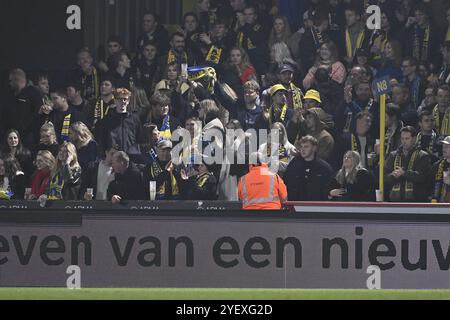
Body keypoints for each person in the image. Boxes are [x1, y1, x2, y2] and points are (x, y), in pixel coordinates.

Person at [385, 126, 431, 202]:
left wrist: (404, 173)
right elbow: (385, 177)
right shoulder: (393, 155)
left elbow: (422, 177)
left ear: (414, 139)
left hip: (416, 201)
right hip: (395, 200)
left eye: (407, 138)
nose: (404, 141)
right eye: (402, 138)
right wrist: (393, 175)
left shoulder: (423, 156)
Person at [284, 135, 334, 201]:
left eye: (306, 147)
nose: (302, 149)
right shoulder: (294, 165)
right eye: (301, 147)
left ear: (314, 148)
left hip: (316, 207)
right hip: (295, 206)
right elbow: (285, 183)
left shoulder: (324, 168)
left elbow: (329, 190)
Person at [95, 88, 142, 155]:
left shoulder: (134, 119)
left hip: (131, 158)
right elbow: (102, 140)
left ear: (128, 101)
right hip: (113, 158)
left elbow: (139, 139)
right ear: (115, 100)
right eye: (119, 99)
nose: (122, 101)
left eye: (125, 99)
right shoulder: (107, 120)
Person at [5, 69, 42, 147]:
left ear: (17, 80)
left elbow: (38, 115)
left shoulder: (34, 94)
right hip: (15, 137)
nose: (10, 83)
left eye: (11, 80)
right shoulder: (12, 96)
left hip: (30, 137)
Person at [236, 5, 270, 75]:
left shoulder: (260, 28)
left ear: (255, 16)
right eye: (245, 14)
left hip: (259, 64)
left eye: (250, 14)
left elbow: (255, 40)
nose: (247, 17)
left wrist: (243, 25)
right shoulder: (241, 29)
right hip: (244, 63)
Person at [431, 136, 450, 203]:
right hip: (439, 205)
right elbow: (430, 183)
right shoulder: (437, 165)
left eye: (447, 147)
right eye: (443, 146)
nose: (443, 149)